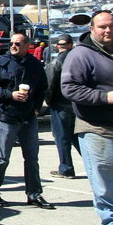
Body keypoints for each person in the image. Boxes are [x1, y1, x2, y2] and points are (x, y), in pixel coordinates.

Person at [61, 11, 113, 225]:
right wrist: (105, 97)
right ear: (92, 29)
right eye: (102, 27)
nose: (108, 31)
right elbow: (69, 88)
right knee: (104, 175)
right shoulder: (80, 55)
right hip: (96, 127)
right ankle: (112, 219)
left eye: (112, 26)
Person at [0, 33, 53, 209]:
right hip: (7, 116)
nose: (13, 46)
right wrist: (10, 95)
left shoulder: (35, 64)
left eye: (17, 43)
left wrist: (37, 107)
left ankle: (34, 194)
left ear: (26, 45)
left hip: (28, 117)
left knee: (32, 158)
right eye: (11, 43)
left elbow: (43, 87)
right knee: (3, 158)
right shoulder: (1, 63)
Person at [45, 34, 78, 179]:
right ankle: (96, 165)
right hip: (77, 104)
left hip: (61, 104)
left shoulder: (56, 62)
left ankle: (66, 168)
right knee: (78, 137)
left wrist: (49, 101)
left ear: (57, 46)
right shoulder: (79, 60)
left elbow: (50, 85)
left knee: (62, 137)